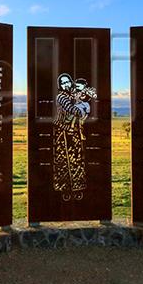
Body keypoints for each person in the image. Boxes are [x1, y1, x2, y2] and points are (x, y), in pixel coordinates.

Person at [53, 73, 94, 201]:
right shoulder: (61, 97)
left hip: (74, 131)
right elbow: (73, 110)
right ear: (60, 86)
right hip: (62, 130)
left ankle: (77, 187)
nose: (66, 84)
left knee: (77, 159)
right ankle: (64, 187)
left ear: (71, 82)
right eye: (63, 83)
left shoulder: (74, 96)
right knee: (63, 159)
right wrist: (82, 110)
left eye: (68, 82)